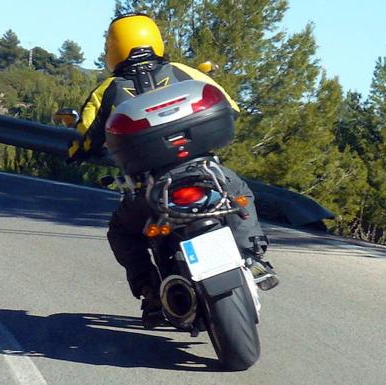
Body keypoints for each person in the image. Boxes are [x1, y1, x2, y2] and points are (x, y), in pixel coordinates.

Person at [67, 13, 279, 328]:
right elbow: (230, 106)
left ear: (112, 48)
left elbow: (86, 135)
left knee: (123, 232)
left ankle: (151, 292)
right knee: (239, 193)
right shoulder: (183, 71)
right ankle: (253, 258)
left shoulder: (107, 90)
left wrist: (76, 152)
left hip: (151, 187)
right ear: (154, 40)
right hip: (204, 172)